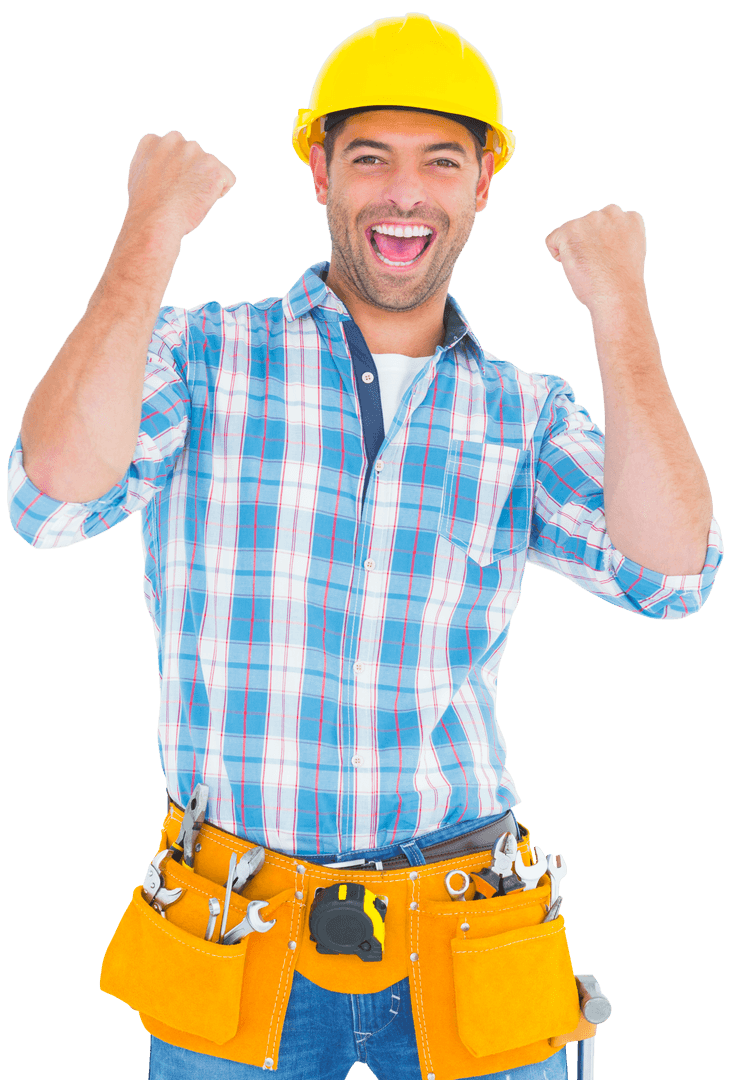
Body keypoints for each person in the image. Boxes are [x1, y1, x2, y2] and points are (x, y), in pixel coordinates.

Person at [6, 12, 722, 1080]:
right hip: (234, 929)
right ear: (320, 172)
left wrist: (620, 306)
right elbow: (48, 501)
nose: (404, 193)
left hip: (468, 926)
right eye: (371, 158)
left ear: (482, 184)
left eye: (441, 161)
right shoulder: (203, 356)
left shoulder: (524, 413)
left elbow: (673, 576)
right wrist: (150, 228)